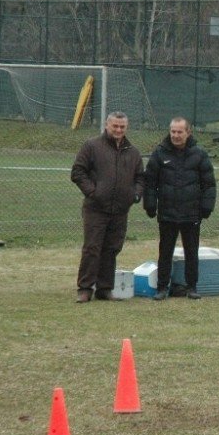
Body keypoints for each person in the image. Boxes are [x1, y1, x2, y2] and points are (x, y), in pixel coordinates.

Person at [71, 111, 144, 303]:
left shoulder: (133, 152)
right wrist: (93, 192)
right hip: (96, 208)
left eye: (122, 127)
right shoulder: (92, 146)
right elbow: (78, 172)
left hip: (120, 209)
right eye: (115, 126)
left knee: (112, 249)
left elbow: (140, 178)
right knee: (92, 248)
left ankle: (105, 288)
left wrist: (135, 194)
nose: (119, 130)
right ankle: (85, 288)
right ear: (107, 125)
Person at [143, 117, 217, 301]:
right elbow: (150, 182)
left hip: (191, 213)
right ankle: (162, 288)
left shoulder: (199, 154)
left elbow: (209, 184)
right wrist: (150, 204)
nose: (175, 135)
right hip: (167, 213)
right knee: (165, 252)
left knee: (192, 252)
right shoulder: (160, 154)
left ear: (188, 133)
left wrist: (207, 207)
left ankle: (192, 287)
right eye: (173, 131)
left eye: (179, 132)